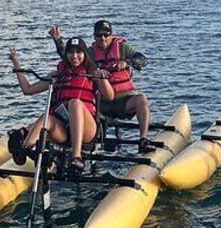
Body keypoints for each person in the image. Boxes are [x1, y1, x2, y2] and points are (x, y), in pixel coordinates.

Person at [8, 37, 114, 174]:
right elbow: (28, 90)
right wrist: (17, 65)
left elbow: (110, 96)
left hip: (88, 132)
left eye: (78, 52)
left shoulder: (92, 74)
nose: (74, 56)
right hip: (64, 131)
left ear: (85, 55)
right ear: (66, 55)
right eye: (70, 52)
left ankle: (76, 157)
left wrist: (103, 79)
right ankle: (25, 149)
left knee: (75, 102)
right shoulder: (58, 75)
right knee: (47, 117)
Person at [50, 20, 155, 153]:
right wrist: (58, 40)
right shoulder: (90, 53)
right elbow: (71, 57)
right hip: (101, 103)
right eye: (99, 35)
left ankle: (143, 139)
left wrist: (127, 62)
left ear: (111, 35)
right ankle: (75, 147)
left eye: (106, 35)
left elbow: (142, 59)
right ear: (94, 36)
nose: (102, 38)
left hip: (124, 100)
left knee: (141, 99)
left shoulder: (122, 48)